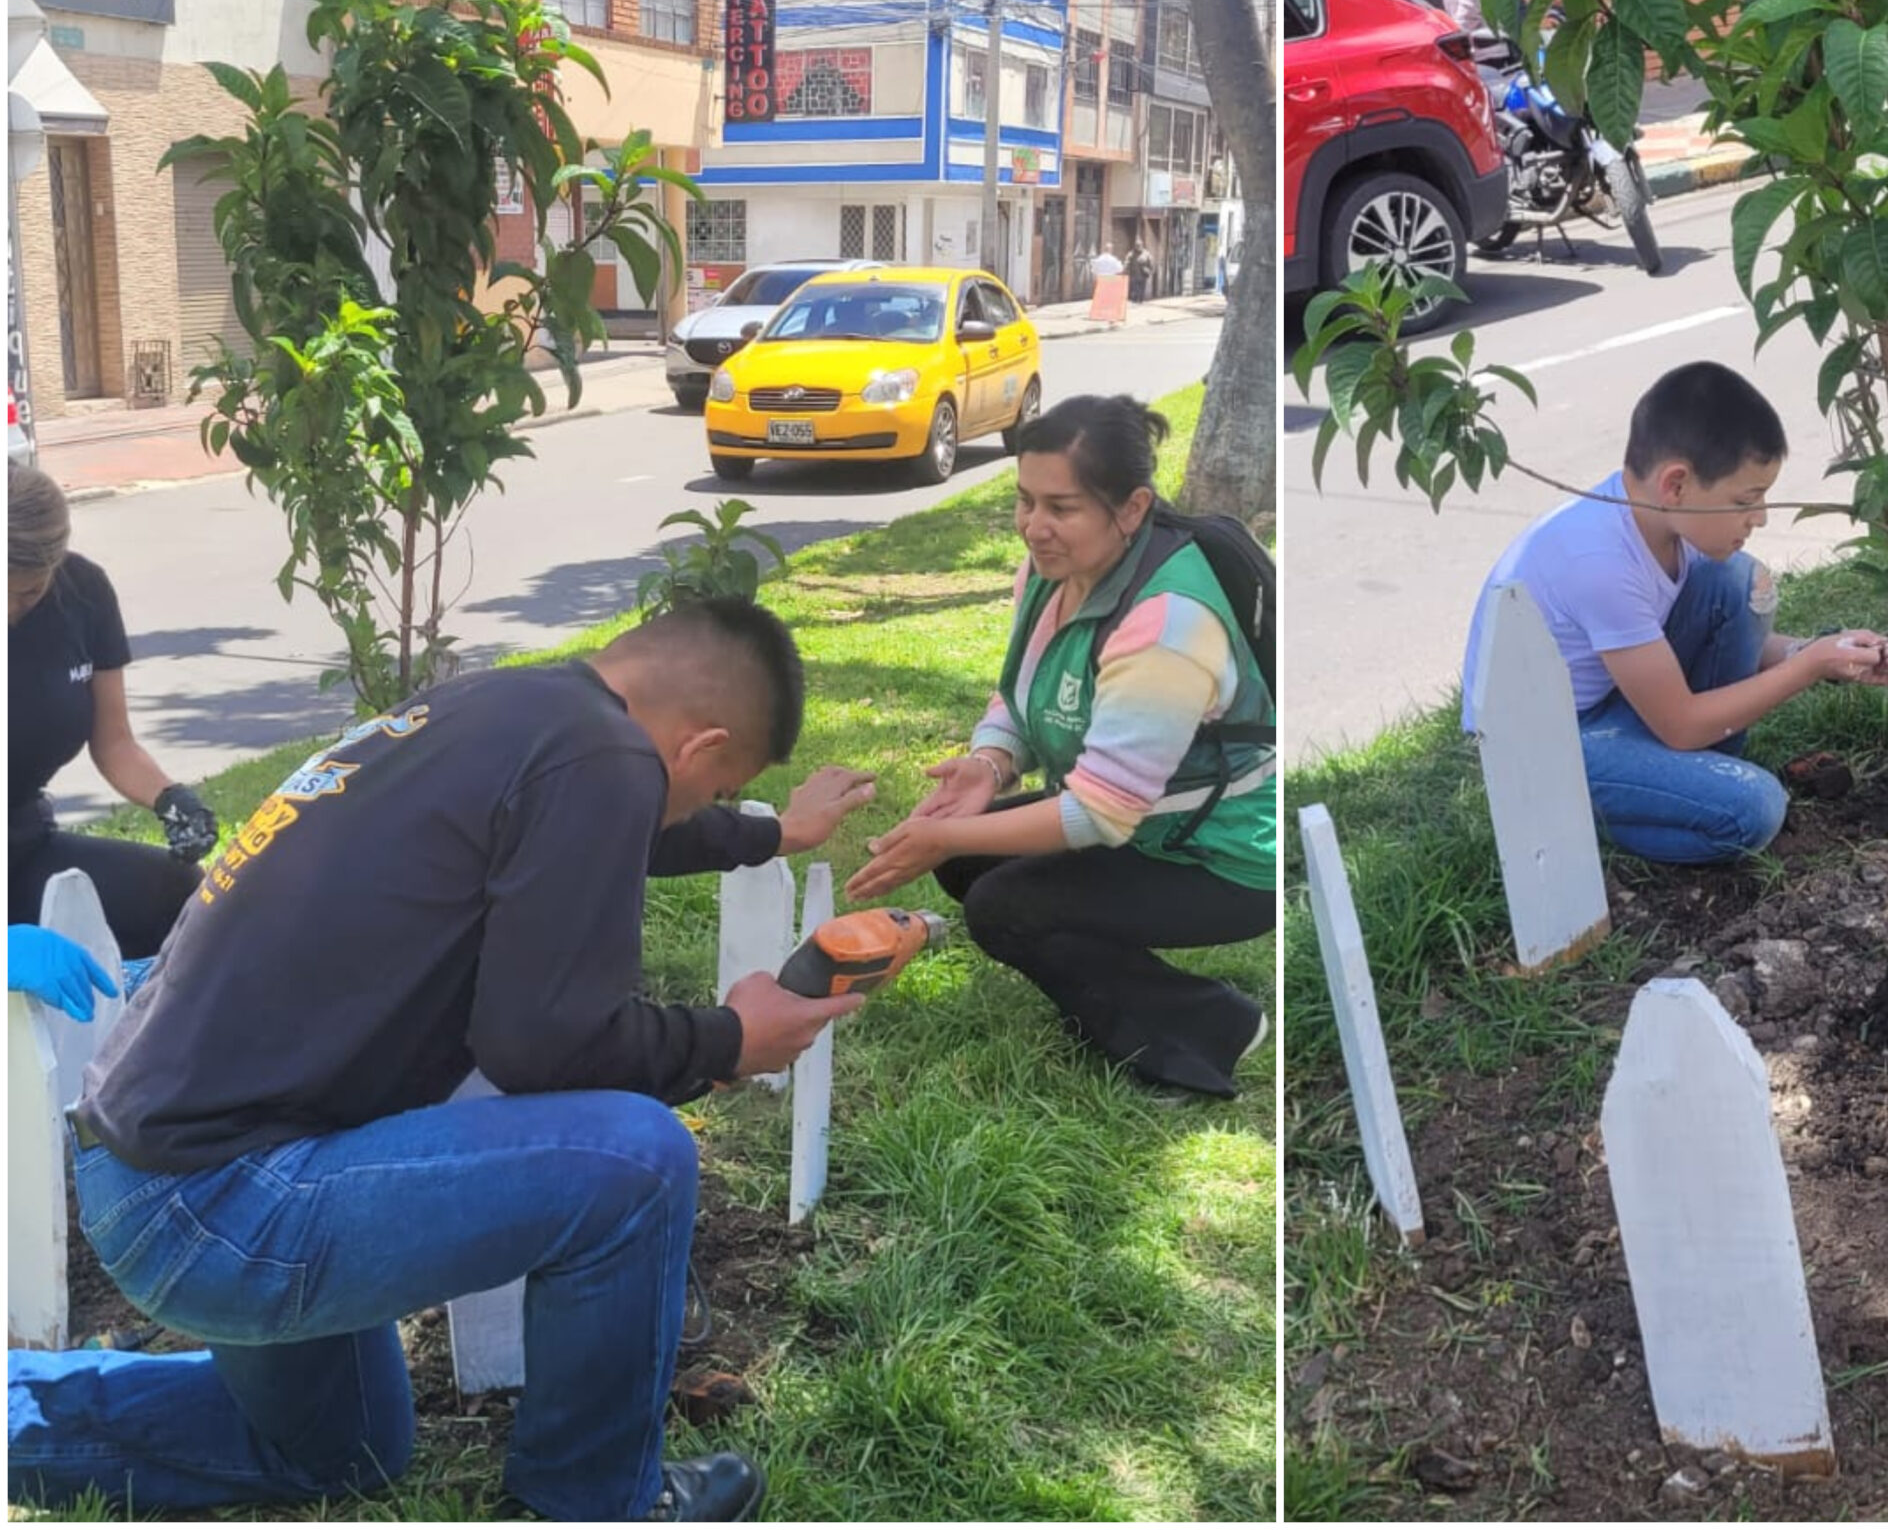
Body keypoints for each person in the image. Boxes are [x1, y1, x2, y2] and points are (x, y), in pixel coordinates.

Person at [6, 599, 877, 1522]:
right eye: (712, 790)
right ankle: (590, 1504)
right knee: (639, 1162)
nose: (687, 811)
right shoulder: (604, 760)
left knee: (344, 1449)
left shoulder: (507, 709)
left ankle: (16, 1417)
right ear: (699, 748)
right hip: (227, 1203)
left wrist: (768, 834)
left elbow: (639, 818)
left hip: (143, 1168)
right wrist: (730, 1039)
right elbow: (543, 1042)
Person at [844, 396, 1275, 1098]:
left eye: (1061, 508)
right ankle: (1117, 981)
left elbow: (1099, 816)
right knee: (968, 865)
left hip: (1223, 860)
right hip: (1151, 822)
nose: (1033, 529)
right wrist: (989, 764)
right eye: (1024, 501)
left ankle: (1208, 1030)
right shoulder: (1055, 574)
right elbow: (1022, 693)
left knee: (1003, 905)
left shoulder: (1166, 626)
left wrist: (945, 831)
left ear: (1132, 509)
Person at [1460, 362, 1888, 865]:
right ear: (1677, 485)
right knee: (1753, 807)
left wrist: (1820, 652)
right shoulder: (1600, 563)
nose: (1761, 517)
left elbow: (1697, 648)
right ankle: (1597, 818)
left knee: (1734, 581)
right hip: (1547, 745)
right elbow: (1681, 727)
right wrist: (1808, 666)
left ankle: (1677, 779)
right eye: (1746, 500)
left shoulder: (1658, 518)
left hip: (1615, 698)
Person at [9, 463, 216, 959]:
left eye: (27, 592)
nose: (8, 609)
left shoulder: (85, 593)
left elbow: (113, 742)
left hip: (22, 843)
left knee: (178, 894)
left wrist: (172, 800)